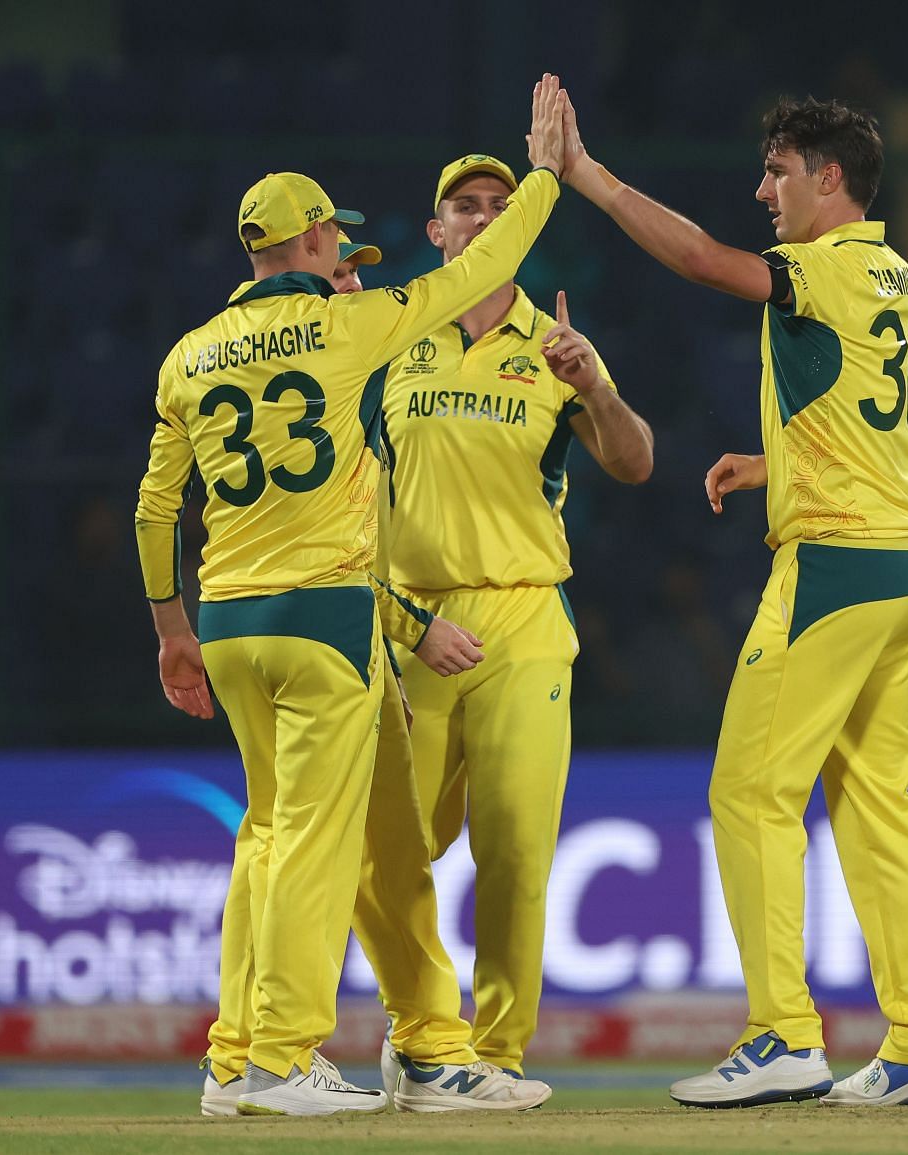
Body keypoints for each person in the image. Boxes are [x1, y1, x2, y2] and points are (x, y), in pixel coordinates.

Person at [134, 74, 569, 1117]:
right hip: (326, 617)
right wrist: (548, 174)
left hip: (230, 618)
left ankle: (265, 1052)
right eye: (340, 240)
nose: (348, 254)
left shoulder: (189, 354)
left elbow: (156, 510)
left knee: (291, 836)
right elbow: (495, 257)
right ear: (320, 238)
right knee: (319, 846)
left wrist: (172, 635)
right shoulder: (356, 326)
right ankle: (281, 1060)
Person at [555, 91, 908, 1108]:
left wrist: (586, 175)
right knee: (878, 809)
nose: (762, 191)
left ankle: (784, 1034)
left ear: (831, 179)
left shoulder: (820, 268)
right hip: (904, 572)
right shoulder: (903, 285)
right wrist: (780, 460)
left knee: (748, 795)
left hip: (828, 570)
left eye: (778, 172)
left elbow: (703, 258)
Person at [196, 232, 553, 1116]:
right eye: (340, 267)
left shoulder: (324, 367)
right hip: (340, 635)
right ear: (306, 275)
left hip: (307, 627)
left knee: (361, 844)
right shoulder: (355, 368)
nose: (353, 281)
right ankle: (269, 1053)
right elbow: (338, 547)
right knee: (315, 841)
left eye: (358, 270)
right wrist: (412, 621)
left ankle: (410, 1047)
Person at [376, 152, 654, 1098]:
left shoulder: (554, 339)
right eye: (466, 205)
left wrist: (599, 392)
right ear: (436, 232)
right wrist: (399, 618)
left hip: (526, 617)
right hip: (411, 622)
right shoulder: (389, 333)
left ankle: (489, 1058)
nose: (488, 217)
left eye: (503, 203)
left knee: (518, 851)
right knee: (392, 847)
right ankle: (421, 1033)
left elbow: (635, 462)